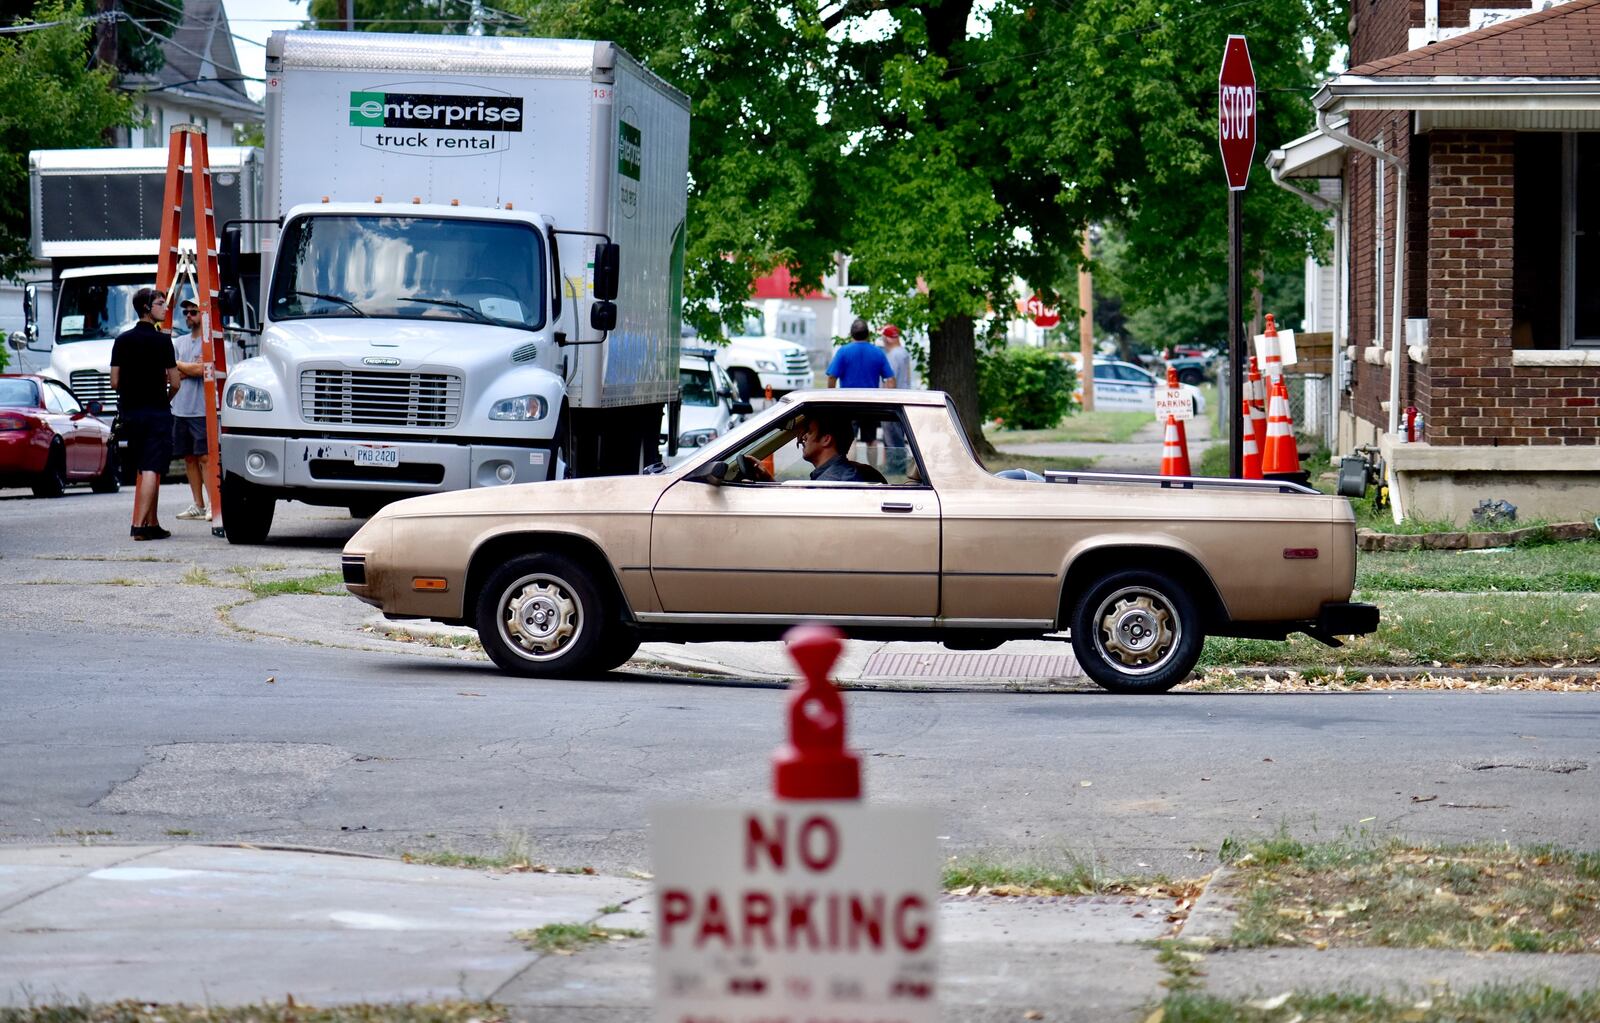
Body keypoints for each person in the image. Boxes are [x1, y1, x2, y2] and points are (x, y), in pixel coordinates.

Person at [109, 288, 179, 541]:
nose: (165, 308)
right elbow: (176, 382)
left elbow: (114, 382)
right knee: (152, 467)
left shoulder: (122, 340)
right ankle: (140, 526)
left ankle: (152, 522)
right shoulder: (163, 341)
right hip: (156, 413)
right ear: (147, 308)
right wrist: (164, 398)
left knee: (143, 466)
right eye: (161, 304)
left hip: (130, 413)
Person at [170, 300, 211, 521]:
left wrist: (181, 366)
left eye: (193, 311)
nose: (188, 315)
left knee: (205, 457)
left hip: (201, 409)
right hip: (181, 408)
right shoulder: (179, 342)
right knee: (188, 458)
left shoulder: (208, 341)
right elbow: (172, 372)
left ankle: (214, 502)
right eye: (185, 312)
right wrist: (190, 368)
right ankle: (198, 504)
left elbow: (202, 369)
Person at [793, 411, 886, 484]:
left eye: (809, 432)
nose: (803, 437)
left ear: (826, 440)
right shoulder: (842, 475)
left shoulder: (829, 484)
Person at [880, 324, 915, 474]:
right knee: (898, 436)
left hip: (892, 401)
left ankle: (896, 469)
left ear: (887, 338)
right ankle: (899, 468)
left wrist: (886, 401)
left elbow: (890, 379)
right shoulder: (904, 353)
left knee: (892, 438)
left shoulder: (893, 355)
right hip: (903, 398)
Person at [827, 318, 897, 389]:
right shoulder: (878, 352)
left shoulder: (843, 352)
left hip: (848, 398)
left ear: (851, 334)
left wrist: (831, 397)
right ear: (868, 334)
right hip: (870, 398)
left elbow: (832, 377)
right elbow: (891, 380)